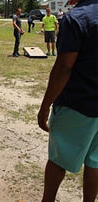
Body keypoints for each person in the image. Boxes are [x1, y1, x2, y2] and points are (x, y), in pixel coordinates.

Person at [38, 0, 98, 201]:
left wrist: (45, 105)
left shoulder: (76, 18)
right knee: (96, 162)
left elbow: (64, 66)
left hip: (77, 103)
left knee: (58, 158)